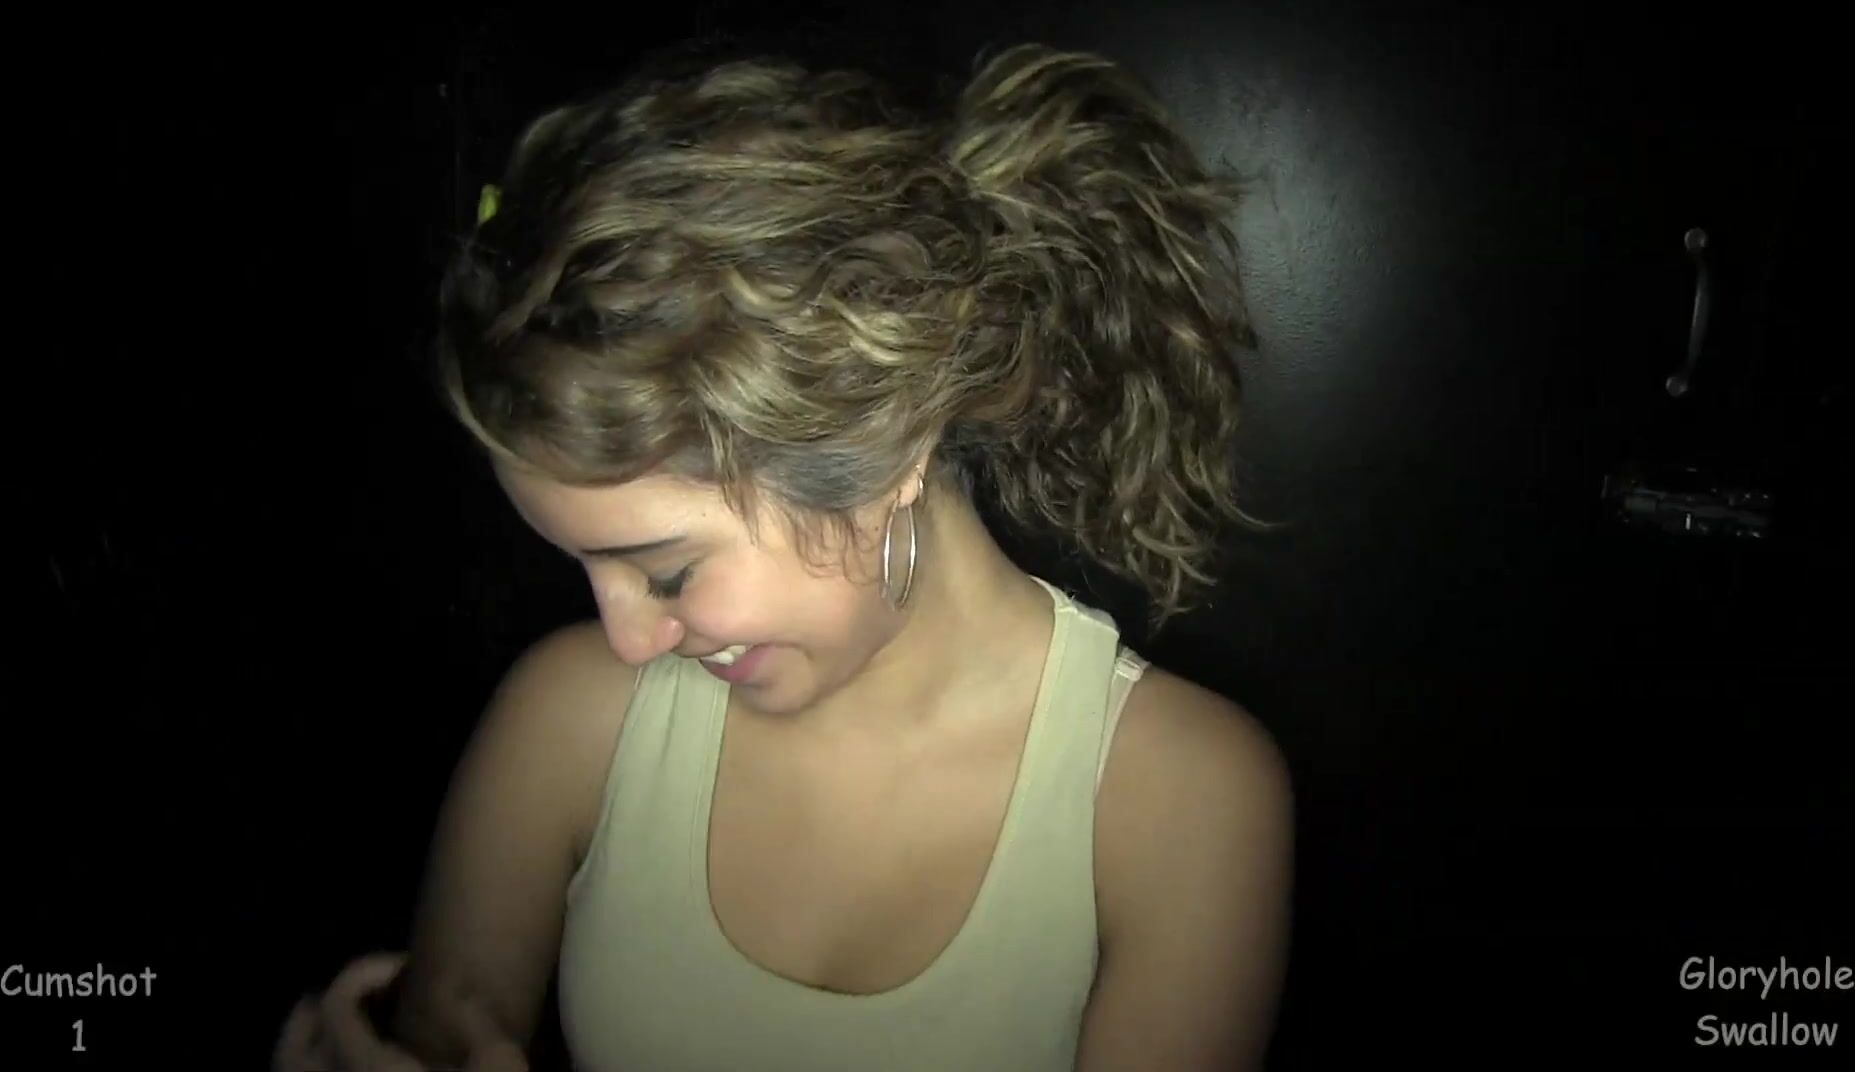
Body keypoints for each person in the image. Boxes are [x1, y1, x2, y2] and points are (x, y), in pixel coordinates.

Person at [273, 37, 1294, 1072]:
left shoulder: (1180, 799)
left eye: (666, 571)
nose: (628, 639)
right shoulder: (564, 723)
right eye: (581, 565)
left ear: (887, 445)